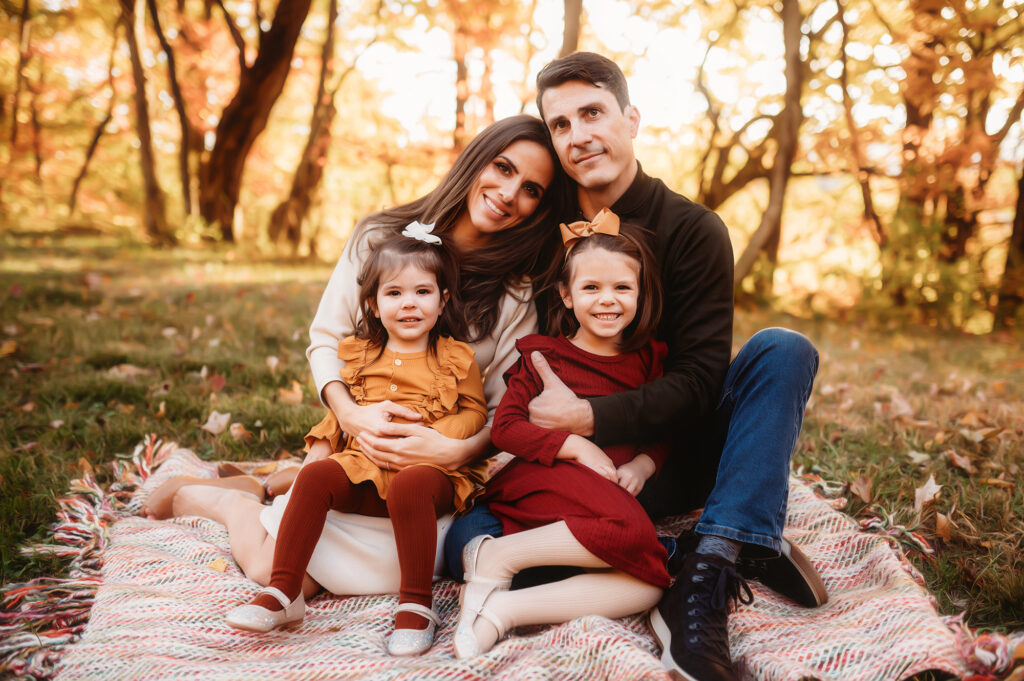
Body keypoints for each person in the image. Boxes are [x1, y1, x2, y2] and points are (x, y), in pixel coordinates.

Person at [445, 53, 823, 681]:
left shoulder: (694, 229)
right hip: (557, 462)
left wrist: (592, 418)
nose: (578, 135)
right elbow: (457, 257)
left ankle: (709, 570)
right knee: (465, 544)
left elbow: (703, 383)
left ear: (631, 118)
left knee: (783, 349)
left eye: (592, 112)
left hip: (665, 455)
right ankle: (690, 550)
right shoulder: (543, 220)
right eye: (560, 124)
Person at [141, 114, 565, 637]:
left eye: (531, 190)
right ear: (477, 158)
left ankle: (275, 483)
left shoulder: (516, 293)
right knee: (276, 571)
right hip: (357, 443)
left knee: (396, 569)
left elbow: (501, 410)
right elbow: (326, 338)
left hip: (436, 479)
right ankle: (227, 500)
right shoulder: (379, 238)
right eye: (502, 167)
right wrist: (352, 415)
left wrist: (453, 451)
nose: (507, 193)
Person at [223, 233, 489, 659]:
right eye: (395, 293)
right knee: (317, 476)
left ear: (442, 302)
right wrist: (320, 451)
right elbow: (339, 418)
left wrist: (440, 436)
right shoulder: (362, 356)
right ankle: (283, 592)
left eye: (422, 292)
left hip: (430, 476)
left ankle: (416, 605)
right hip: (365, 469)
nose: (409, 304)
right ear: (373, 305)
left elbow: (476, 411)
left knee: (411, 485)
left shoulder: (455, 358)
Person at [452, 213, 670, 658]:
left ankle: (505, 610)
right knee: (634, 538)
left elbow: (663, 427)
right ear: (567, 296)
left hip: (601, 495)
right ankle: (497, 557)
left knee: (649, 583)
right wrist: (574, 445)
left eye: (622, 288)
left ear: (640, 293)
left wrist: (642, 465)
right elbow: (508, 428)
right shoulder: (542, 357)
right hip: (546, 480)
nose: (607, 300)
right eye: (591, 288)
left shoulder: (648, 359)